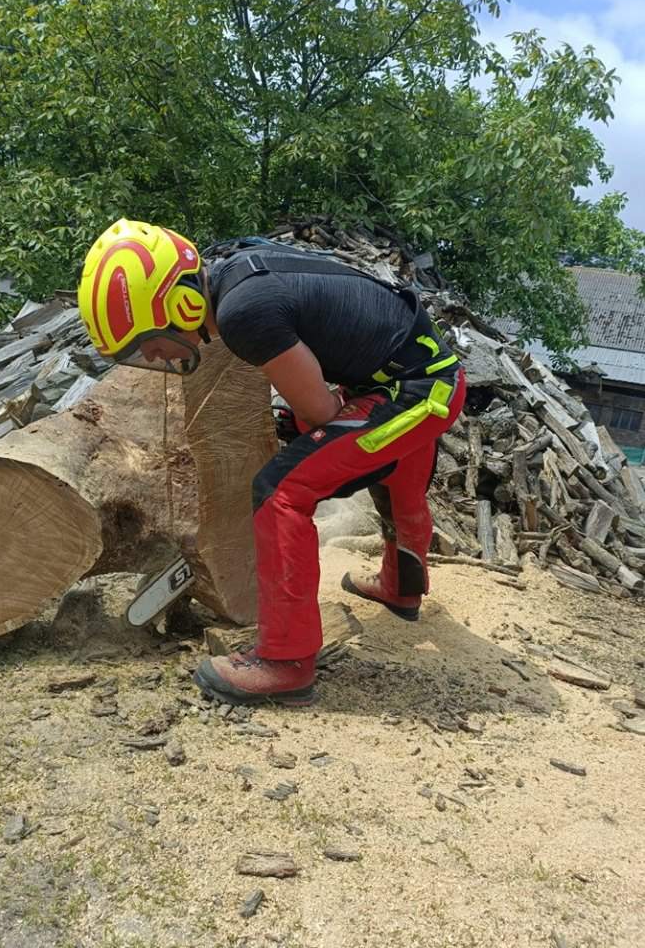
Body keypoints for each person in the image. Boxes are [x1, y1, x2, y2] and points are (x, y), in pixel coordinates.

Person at [77, 218, 466, 706]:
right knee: (398, 484)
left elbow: (320, 412)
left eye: (152, 341)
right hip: (419, 372)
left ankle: (286, 661)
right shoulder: (237, 274)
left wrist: (312, 442)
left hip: (415, 391)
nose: (155, 354)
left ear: (181, 303)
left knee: (283, 490)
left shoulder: (244, 314)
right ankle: (401, 586)